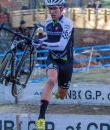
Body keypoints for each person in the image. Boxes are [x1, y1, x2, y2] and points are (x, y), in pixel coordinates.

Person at [34, 0, 74, 129]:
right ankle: (41, 118)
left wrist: (42, 44)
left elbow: (61, 45)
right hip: (53, 59)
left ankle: (59, 92)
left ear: (62, 8)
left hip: (66, 62)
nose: (52, 12)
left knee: (62, 96)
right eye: (49, 9)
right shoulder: (47, 22)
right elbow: (50, 38)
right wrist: (40, 40)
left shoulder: (68, 23)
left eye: (55, 9)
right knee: (51, 80)